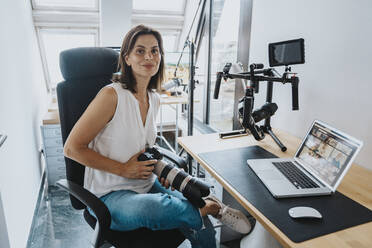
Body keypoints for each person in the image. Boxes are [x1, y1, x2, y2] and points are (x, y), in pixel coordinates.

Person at [63, 24, 252, 248]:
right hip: (109, 196)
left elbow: (144, 148)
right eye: (140, 51)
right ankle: (211, 207)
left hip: (146, 183)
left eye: (155, 50)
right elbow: (72, 148)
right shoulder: (111, 95)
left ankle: (204, 209)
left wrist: (160, 171)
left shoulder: (154, 98)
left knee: (195, 209)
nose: (149, 56)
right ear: (127, 57)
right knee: (156, 208)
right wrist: (122, 169)